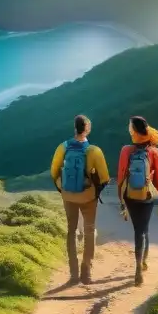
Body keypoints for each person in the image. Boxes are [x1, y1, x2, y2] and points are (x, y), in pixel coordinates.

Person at [50, 114, 110, 285]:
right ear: (88, 129)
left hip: (68, 195)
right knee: (89, 230)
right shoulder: (94, 151)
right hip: (88, 196)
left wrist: (63, 189)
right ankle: (86, 271)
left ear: (74, 128)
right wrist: (95, 190)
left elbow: (54, 172)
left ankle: (73, 273)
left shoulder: (62, 147)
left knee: (72, 230)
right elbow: (105, 177)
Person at [117, 115, 158, 287]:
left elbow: (121, 176)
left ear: (134, 130)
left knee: (137, 229)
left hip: (130, 195)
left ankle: (138, 266)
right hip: (147, 196)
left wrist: (121, 199)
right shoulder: (154, 152)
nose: (128, 129)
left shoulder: (126, 150)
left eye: (129, 126)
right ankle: (142, 264)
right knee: (144, 230)